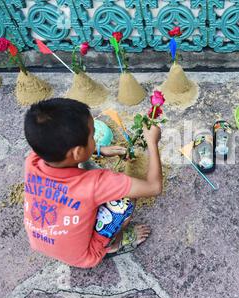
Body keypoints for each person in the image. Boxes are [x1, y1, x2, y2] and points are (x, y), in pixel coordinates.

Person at [23, 98, 163, 268]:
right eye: (92, 136)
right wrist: (152, 143)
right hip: (84, 256)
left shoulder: (33, 160)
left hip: (42, 241)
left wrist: (99, 150)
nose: (94, 139)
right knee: (125, 201)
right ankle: (114, 245)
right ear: (78, 152)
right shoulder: (97, 182)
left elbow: (66, 153)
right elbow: (153, 187)